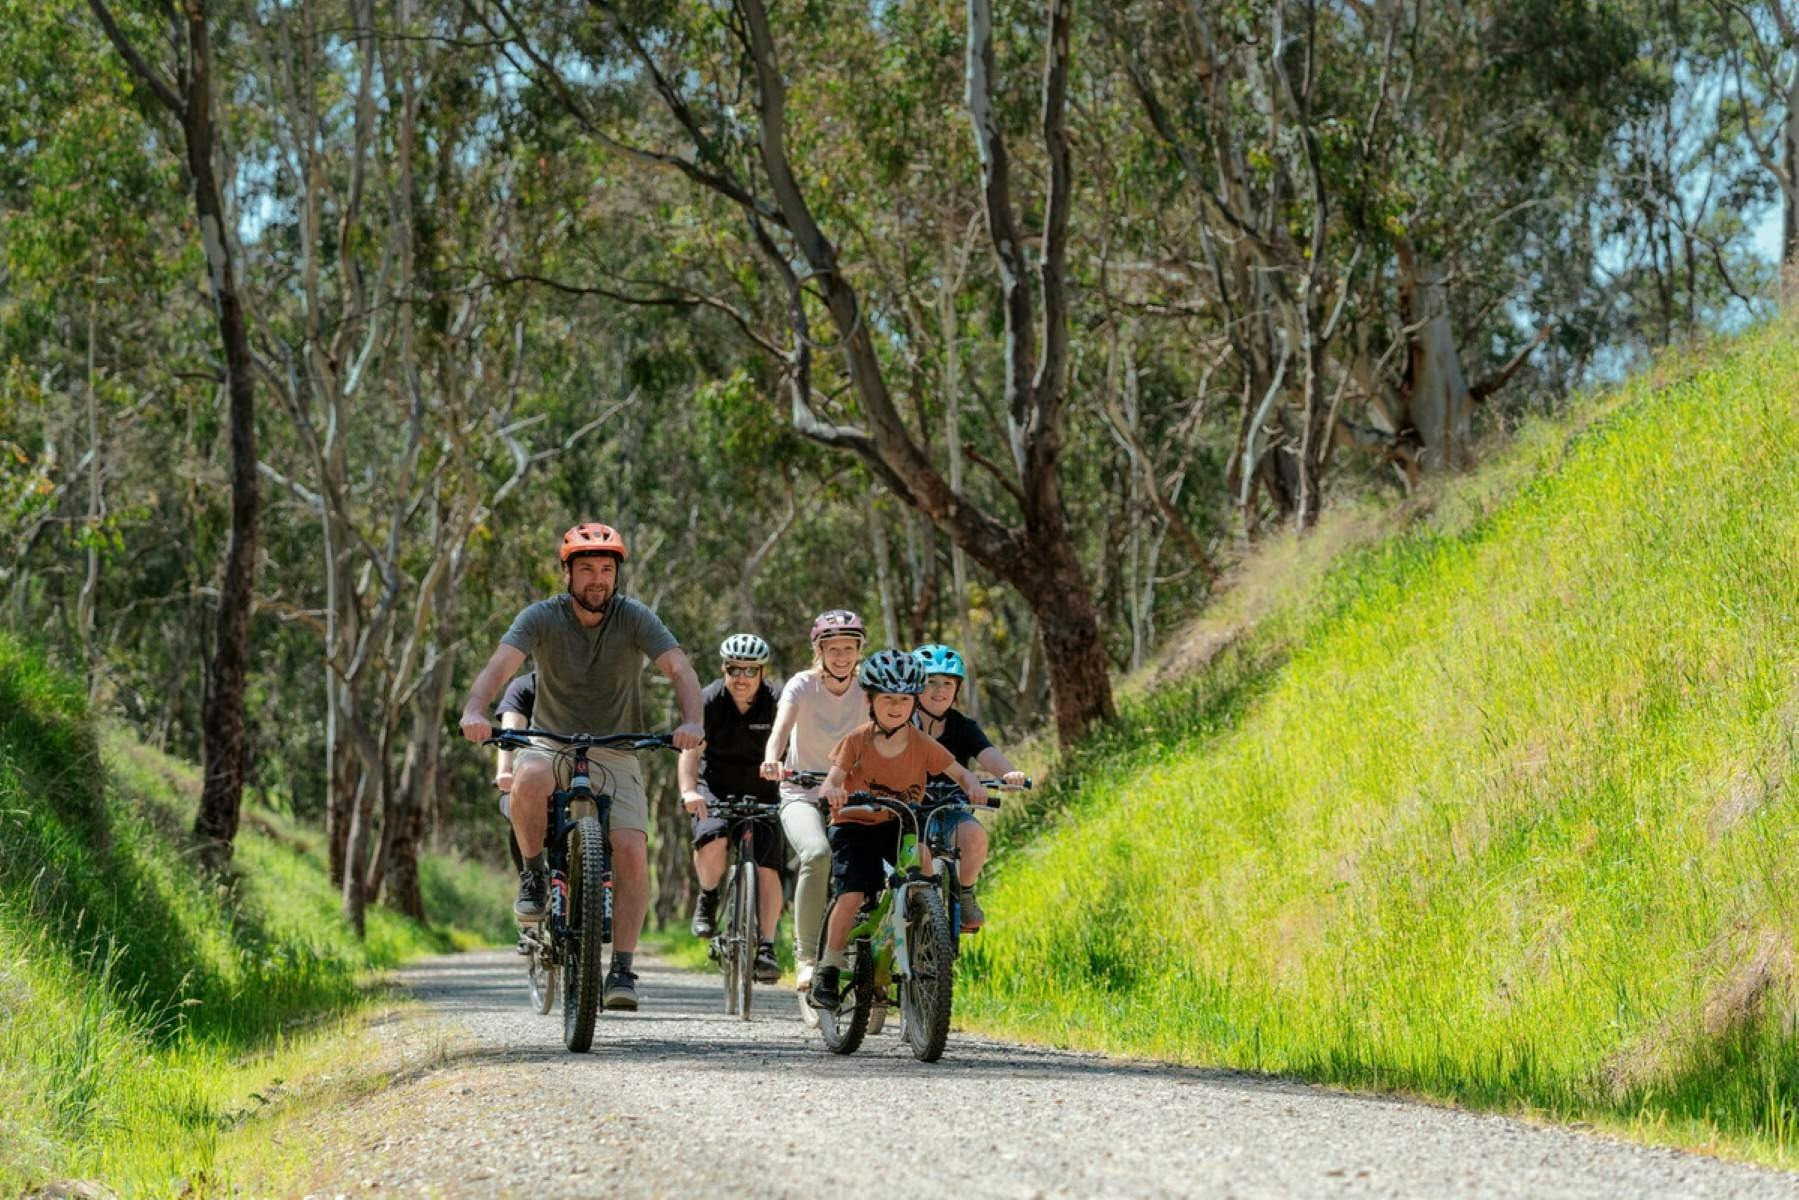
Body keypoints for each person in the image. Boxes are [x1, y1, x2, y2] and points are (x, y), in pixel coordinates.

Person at [459, 521, 705, 1012]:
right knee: (526, 775)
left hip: (617, 747)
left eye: (607, 570)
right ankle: (533, 874)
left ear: (617, 576)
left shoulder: (634, 617)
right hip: (552, 742)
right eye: (587, 569)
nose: (598, 579)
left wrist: (693, 720)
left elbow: (679, 668)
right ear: (567, 573)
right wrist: (474, 710)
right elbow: (500, 667)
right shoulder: (541, 617)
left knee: (633, 850)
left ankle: (623, 968)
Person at [810, 649, 986, 1010]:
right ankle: (827, 967)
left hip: (900, 823)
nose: (897, 707)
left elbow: (958, 771)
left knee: (923, 870)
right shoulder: (857, 739)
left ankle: (921, 941)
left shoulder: (923, 743)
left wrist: (973, 784)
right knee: (853, 894)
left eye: (905, 700)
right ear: (871, 701)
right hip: (855, 825)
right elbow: (833, 779)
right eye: (888, 699)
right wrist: (833, 791)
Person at [759, 610, 867, 997]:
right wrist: (773, 757)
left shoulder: (870, 688)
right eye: (833, 648)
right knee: (817, 855)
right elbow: (781, 728)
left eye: (849, 648)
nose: (841, 656)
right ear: (818, 650)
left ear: (859, 651)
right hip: (801, 789)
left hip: (851, 791)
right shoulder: (801, 685)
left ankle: (867, 956)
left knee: (873, 868)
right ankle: (805, 958)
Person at [679, 633, 783, 984]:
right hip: (716, 789)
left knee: (768, 866)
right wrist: (688, 791)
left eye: (750, 671)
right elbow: (690, 751)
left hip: (766, 793)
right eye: (734, 669)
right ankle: (708, 896)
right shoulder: (708, 701)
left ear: (762, 672)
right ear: (724, 670)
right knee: (713, 839)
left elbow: (794, 748)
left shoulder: (778, 701)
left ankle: (767, 946)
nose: (742, 678)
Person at [910, 644, 1027, 931]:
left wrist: (1010, 775)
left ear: (957, 688)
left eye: (947, 683)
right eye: (930, 682)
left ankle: (964, 893)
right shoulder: (901, 723)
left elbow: (989, 756)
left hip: (949, 809)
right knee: (917, 855)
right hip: (908, 812)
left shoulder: (962, 726)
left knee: (974, 835)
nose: (939, 691)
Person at [493, 671, 537, 875]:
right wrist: (504, 771)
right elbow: (510, 732)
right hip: (539, 772)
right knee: (520, 808)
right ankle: (530, 877)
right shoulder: (525, 686)